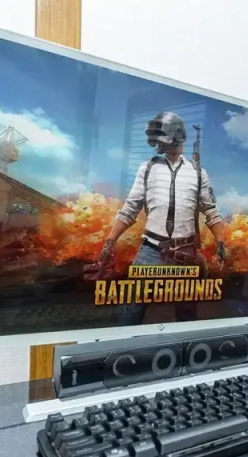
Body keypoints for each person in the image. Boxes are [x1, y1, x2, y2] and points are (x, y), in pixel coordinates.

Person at [95, 111, 226, 323]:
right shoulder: (147, 168)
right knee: (129, 314)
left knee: (186, 316)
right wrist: (110, 240)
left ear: (178, 136)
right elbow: (130, 208)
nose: (158, 145)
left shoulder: (198, 172)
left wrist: (220, 241)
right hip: (151, 251)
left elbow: (210, 211)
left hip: (186, 255)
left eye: (162, 138)